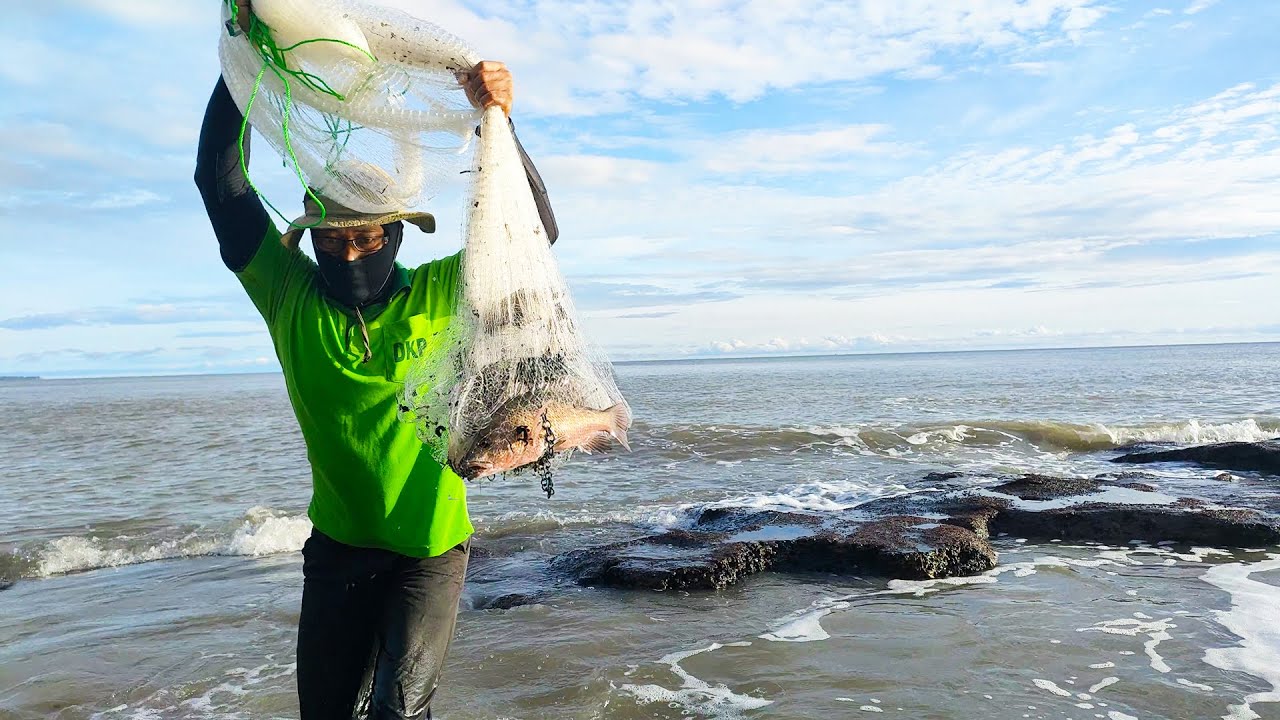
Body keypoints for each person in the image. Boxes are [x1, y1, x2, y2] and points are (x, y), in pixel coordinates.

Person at [193, 2, 557, 717]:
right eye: (332, 241)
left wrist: (498, 122)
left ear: (396, 234)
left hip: (431, 553)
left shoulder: (444, 291)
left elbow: (534, 230)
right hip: (336, 552)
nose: (349, 254)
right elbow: (218, 178)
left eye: (367, 239)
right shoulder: (287, 295)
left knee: (399, 710)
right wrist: (245, 54)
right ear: (310, 241)